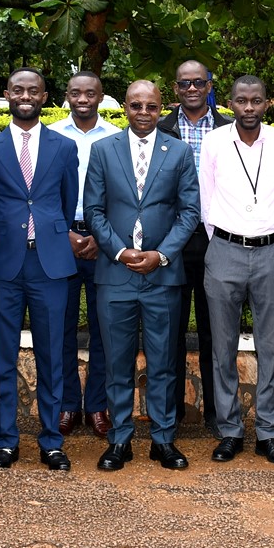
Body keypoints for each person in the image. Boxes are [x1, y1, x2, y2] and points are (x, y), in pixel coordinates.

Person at [84, 81, 202, 471]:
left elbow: (189, 212)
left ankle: (163, 440)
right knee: (117, 362)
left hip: (163, 275)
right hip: (115, 273)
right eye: (136, 105)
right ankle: (119, 440)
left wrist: (161, 254)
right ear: (126, 109)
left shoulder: (180, 152)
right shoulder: (103, 150)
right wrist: (119, 250)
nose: (143, 113)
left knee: (164, 361)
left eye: (151, 106)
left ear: (160, 107)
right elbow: (94, 210)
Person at [0, 69, 77, 471]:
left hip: (50, 262)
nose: (25, 95)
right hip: (4, 261)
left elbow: (67, 201)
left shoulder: (64, 146)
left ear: (44, 96)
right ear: (7, 95)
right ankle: (6, 441)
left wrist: (51, 236)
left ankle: (51, 441)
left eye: (32, 90)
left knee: (51, 355)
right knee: (2, 354)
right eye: (17, 90)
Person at [200, 74, 274, 464]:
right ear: (230, 104)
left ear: (267, 103)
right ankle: (230, 431)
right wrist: (220, 241)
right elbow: (206, 199)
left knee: (270, 347)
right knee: (222, 347)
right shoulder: (214, 142)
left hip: (271, 249)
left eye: (256, 101)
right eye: (241, 101)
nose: (249, 108)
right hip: (224, 248)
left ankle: (269, 433)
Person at [158, 60, 232, 430]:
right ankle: (169, 414)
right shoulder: (158, 129)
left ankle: (218, 415)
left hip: (216, 240)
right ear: (175, 88)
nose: (191, 88)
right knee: (169, 330)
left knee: (214, 330)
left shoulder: (229, 129)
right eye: (184, 82)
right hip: (170, 241)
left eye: (198, 82)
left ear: (209, 85)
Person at [48, 71, 118, 438]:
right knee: (60, 329)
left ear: (100, 96)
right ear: (67, 96)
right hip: (61, 236)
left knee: (103, 329)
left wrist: (101, 238)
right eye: (76, 92)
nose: (83, 99)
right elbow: (43, 193)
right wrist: (68, 233)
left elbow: (123, 196)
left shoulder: (117, 138)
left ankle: (97, 406)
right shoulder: (53, 136)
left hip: (106, 241)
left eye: (90, 93)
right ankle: (67, 405)